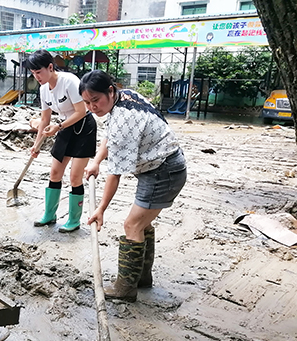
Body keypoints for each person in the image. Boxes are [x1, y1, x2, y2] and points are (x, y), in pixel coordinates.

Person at [80, 70, 187, 302]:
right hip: (164, 164)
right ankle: (142, 278)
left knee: (132, 225)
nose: (91, 108)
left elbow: (115, 174)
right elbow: (109, 136)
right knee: (142, 223)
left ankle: (125, 288)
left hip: (163, 170)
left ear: (110, 91)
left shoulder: (123, 119)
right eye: (86, 102)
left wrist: (100, 209)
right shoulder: (125, 96)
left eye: (95, 100)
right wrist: (97, 161)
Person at [27, 49, 97, 233]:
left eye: (39, 72)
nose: (37, 77)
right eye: (33, 73)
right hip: (64, 127)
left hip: (83, 128)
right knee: (55, 174)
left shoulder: (70, 81)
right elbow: (44, 120)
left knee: (75, 177)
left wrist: (59, 126)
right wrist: (36, 144)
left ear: (50, 67)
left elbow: (81, 111)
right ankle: (49, 215)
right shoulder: (43, 90)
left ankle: (74, 220)